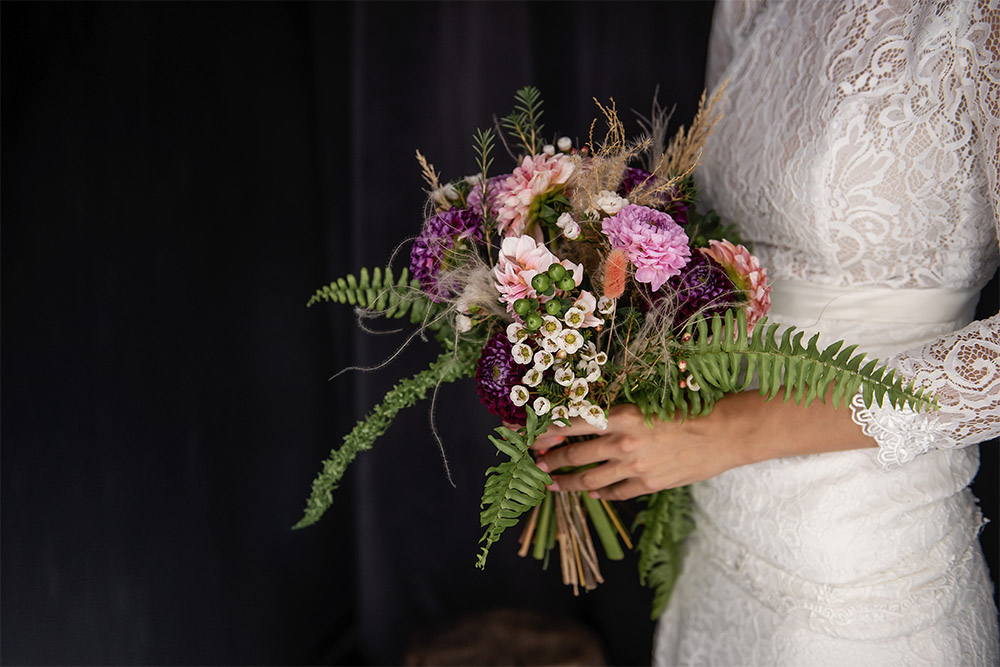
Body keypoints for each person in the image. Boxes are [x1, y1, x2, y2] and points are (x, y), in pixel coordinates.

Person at [531, 1, 1000, 664]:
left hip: (864, 576)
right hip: (715, 541)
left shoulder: (976, 18)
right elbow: (717, 241)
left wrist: (727, 432)